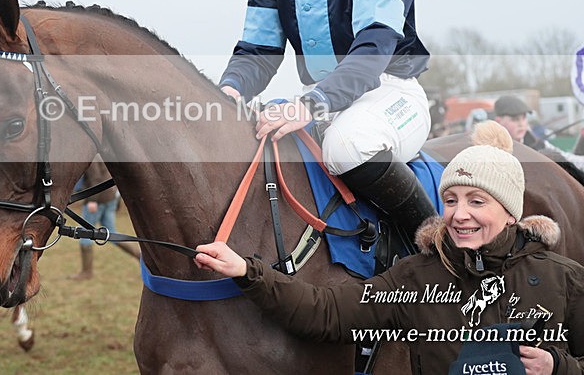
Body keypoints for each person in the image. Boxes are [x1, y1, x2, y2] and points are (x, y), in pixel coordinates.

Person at [195, 121, 584, 374]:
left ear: (511, 212)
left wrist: (558, 368)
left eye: (477, 202)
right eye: (451, 201)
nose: (460, 215)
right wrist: (249, 272)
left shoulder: (563, 279)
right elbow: (322, 312)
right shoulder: (416, 279)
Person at [218, 0, 434, 243]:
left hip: (389, 94)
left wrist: (312, 105)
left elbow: (374, 47)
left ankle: (440, 249)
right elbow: (257, 53)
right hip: (319, 100)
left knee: (347, 145)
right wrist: (228, 90)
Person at [68, 156, 139, 281]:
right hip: (109, 197)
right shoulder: (101, 153)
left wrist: (92, 200)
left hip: (98, 200)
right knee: (111, 234)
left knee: (85, 234)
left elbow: (96, 178)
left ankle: (86, 272)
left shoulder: (92, 155)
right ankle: (139, 255)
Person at [494, 95, 584, 175]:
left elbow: (568, 160)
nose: (521, 124)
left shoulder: (539, 144)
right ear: (498, 121)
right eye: (515, 119)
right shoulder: (492, 150)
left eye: (524, 118)